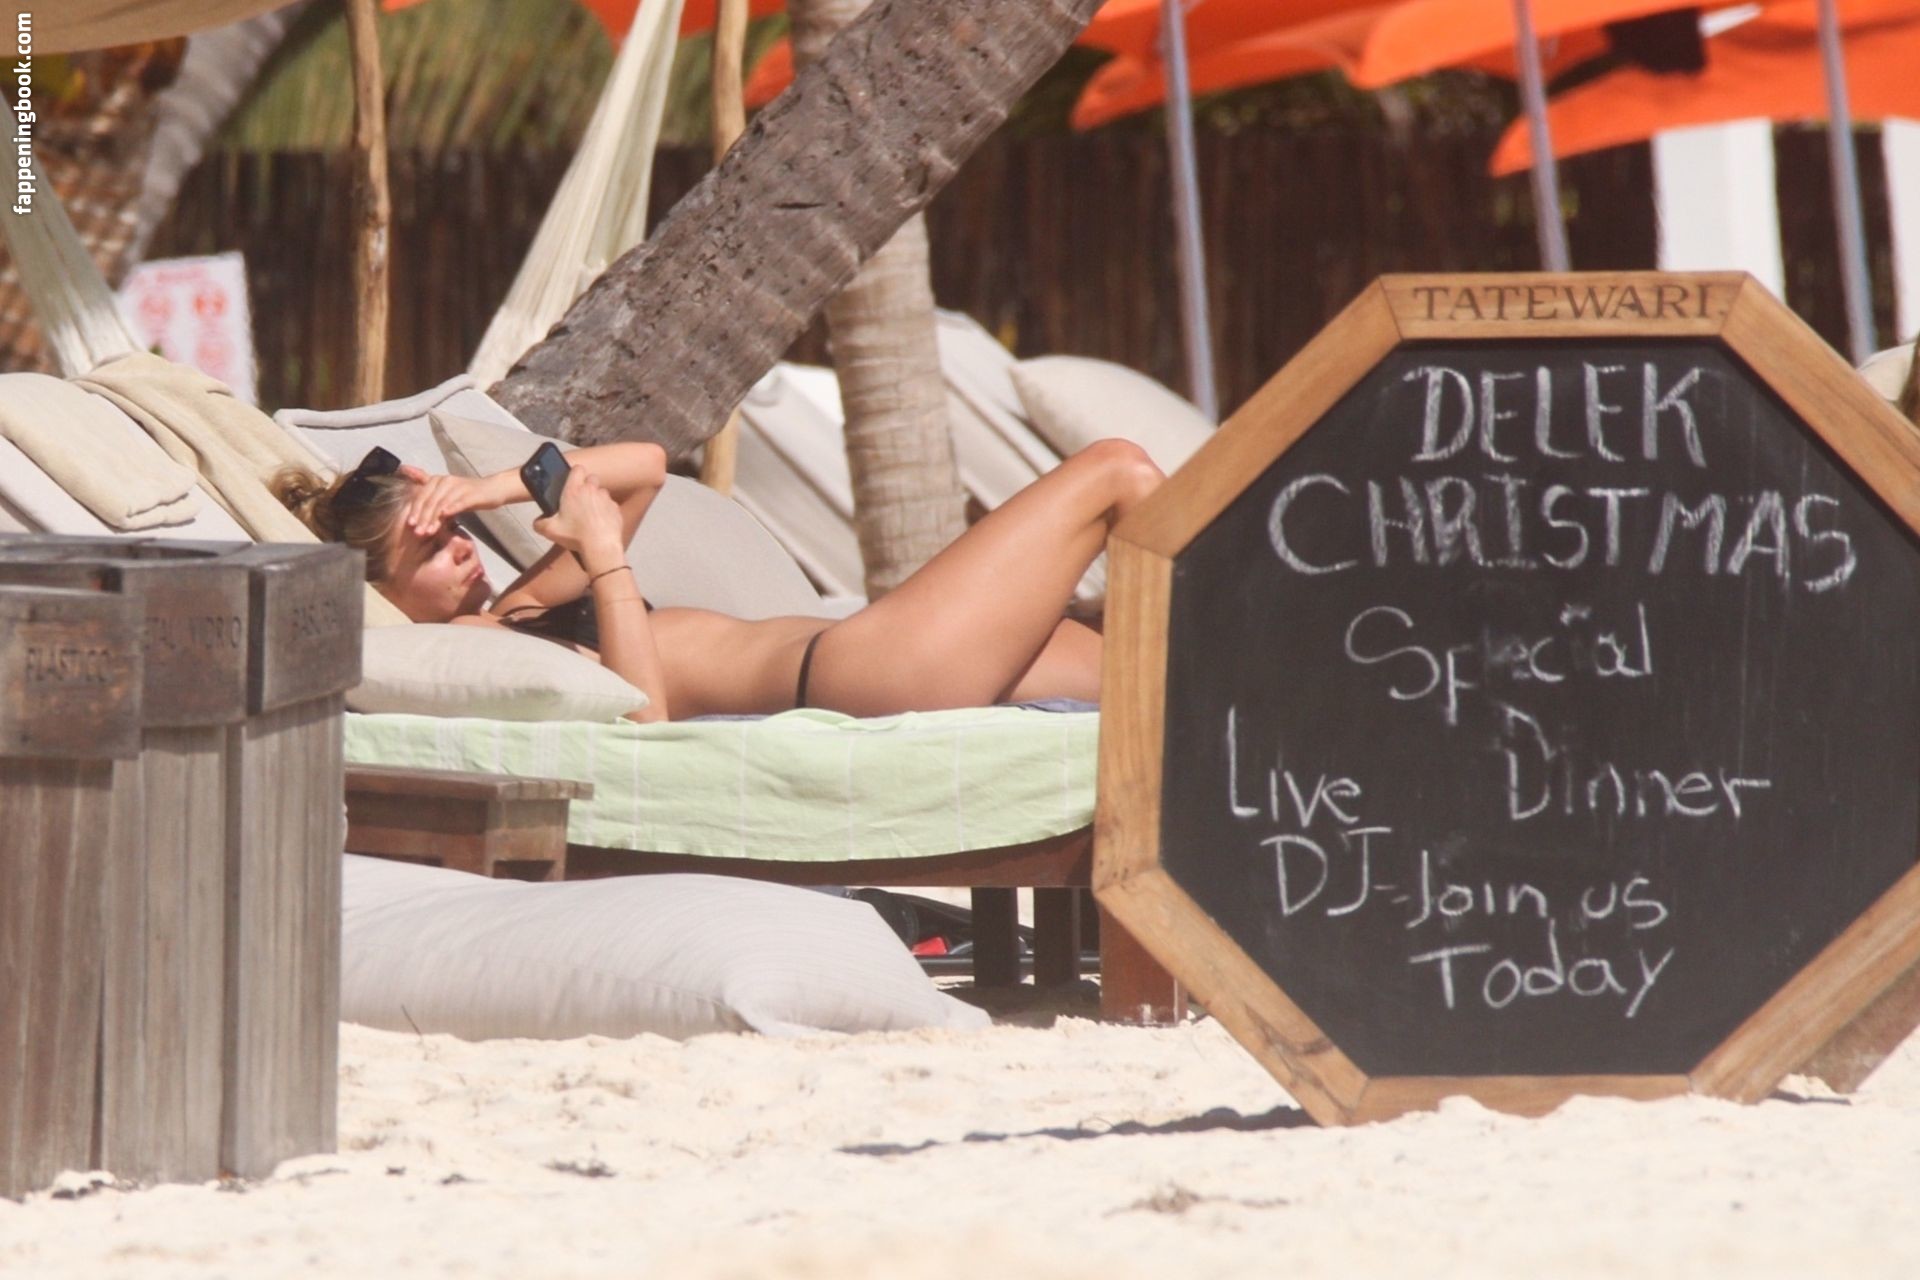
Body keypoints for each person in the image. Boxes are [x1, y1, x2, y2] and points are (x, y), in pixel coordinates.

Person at [274, 437, 1163, 723]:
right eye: (431, 549)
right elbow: (643, 716)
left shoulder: (521, 608)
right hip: (861, 673)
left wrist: (493, 487)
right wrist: (605, 558)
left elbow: (645, 466)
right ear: (383, 593)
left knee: (1166, 671)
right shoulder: (470, 649)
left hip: (871, 648)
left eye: (455, 529)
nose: (462, 546)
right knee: (1114, 471)